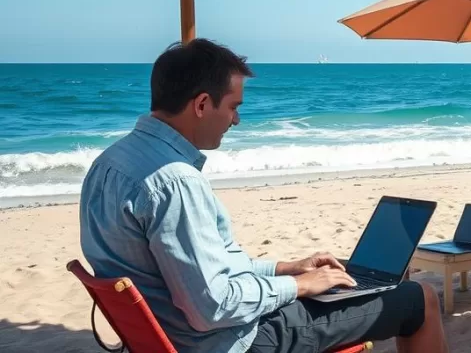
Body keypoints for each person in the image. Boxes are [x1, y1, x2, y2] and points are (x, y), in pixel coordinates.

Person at [80, 39, 448, 353]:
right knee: (420, 298)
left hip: (168, 337)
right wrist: (300, 286)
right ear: (202, 104)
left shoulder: (108, 164)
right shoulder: (175, 182)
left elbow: (201, 271)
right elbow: (212, 306)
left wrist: (287, 268)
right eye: (234, 106)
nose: (236, 120)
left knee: (337, 287)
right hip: (233, 342)